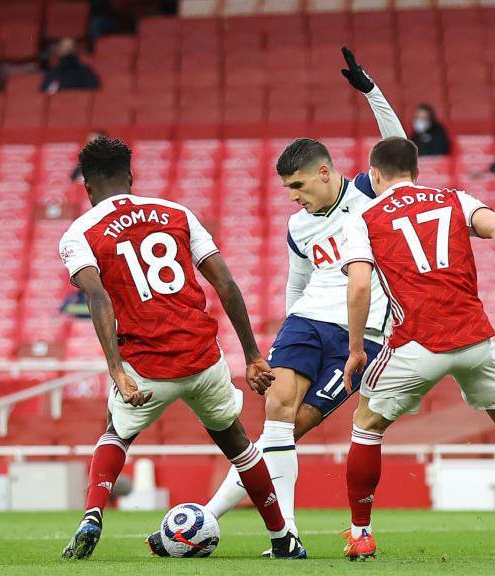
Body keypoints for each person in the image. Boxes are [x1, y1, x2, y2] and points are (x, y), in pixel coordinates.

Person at [151, 47, 406, 558]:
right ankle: (285, 535)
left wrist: (371, 92)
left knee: (293, 429)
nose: (293, 196)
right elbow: (297, 285)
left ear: (326, 172)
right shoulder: (297, 226)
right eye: (287, 189)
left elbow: (396, 147)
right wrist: (276, 341)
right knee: (274, 421)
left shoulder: (367, 193)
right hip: (306, 323)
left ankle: (205, 516)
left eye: (298, 185)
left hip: (362, 336)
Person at [340, 137, 495, 560]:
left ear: (375, 175)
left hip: (415, 342)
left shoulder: (363, 217)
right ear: (416, 173)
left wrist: (354, 348)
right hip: (474, 338)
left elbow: (360, 283)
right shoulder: (454, 198)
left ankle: (360, 533)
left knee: (366, 426)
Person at [58, 138, 298, 559]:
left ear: (88, 187)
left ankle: (93, 514)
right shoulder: (177, 213)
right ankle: (282, 538)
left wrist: (116, 368)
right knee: (240, 445)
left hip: (147, 366)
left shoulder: (80, 232)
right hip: (203, 359)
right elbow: (224, 282)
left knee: (116, 432)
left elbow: (97, 298)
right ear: (130, 178)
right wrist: (253, 355)